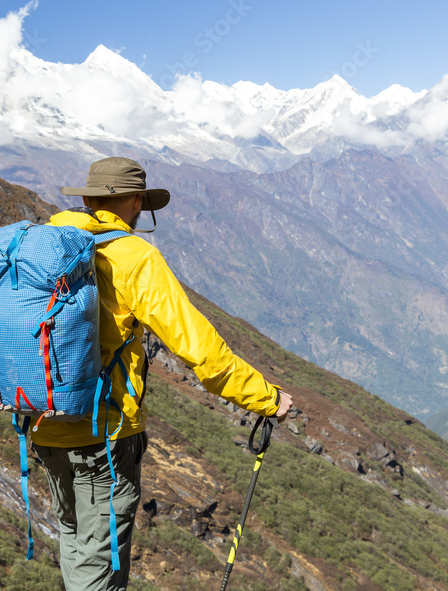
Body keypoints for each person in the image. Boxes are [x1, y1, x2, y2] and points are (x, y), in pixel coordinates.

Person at [30, 156, 293, 589]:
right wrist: (265, 397)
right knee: (100, 567)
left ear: (87, 199)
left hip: (43, 423)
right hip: (103, 432)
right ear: (135, 202)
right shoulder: (132, 256)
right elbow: (198, 348)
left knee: (77, 545)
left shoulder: (47, 242)